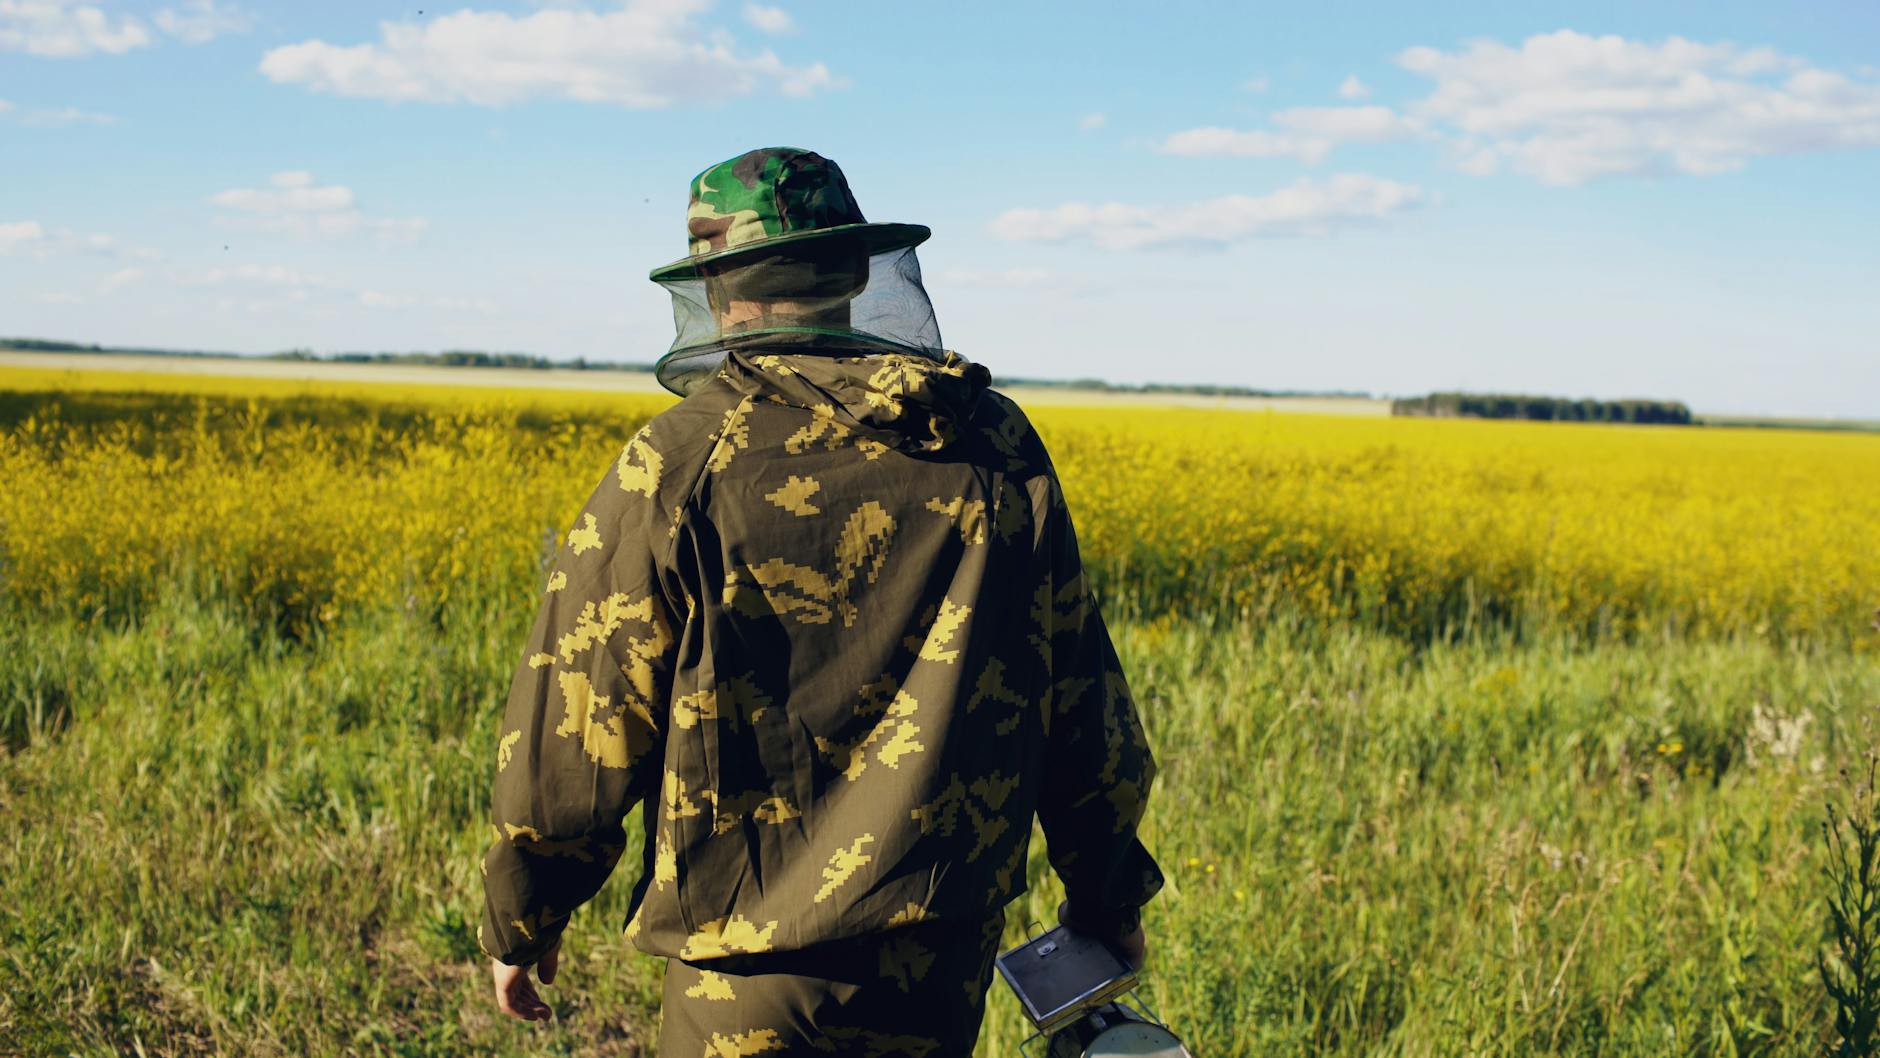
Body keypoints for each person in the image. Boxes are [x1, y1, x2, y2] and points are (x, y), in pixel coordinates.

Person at [478, 146, 1163, 1056]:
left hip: (750, 981)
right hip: (941, 959)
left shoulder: (680, 462)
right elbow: (1081, 703)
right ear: (851, 273)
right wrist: (1105, 897)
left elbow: (578, 729)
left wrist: (522, 920)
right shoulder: (993, 442)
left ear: (721, 292)